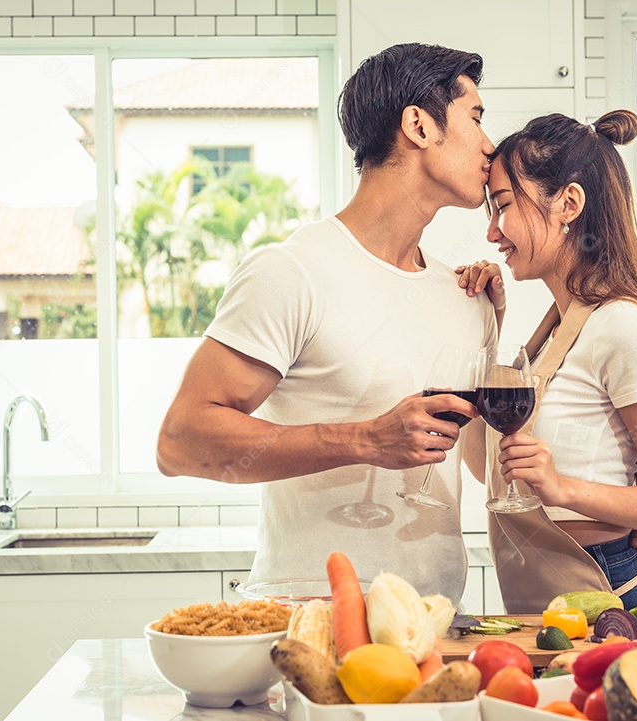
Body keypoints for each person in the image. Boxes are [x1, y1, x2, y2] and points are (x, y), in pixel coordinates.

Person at [156, 43, 499, 605]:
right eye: (476, 118)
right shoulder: (291, 272)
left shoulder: (465, 296)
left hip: (435, 623)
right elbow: (180, 442)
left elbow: (483, 466)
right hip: (307, 620)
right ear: (418, 125)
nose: (489, 145)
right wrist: (364, 439)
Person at [464, 109, 637, 612]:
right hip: (548, 601)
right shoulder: (553, 330)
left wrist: (562, 487)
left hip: (601, 589)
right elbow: (481, 465)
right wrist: (483, 322)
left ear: (568, 203)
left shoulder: (620, 326)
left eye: (503, 205)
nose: (492, 231)